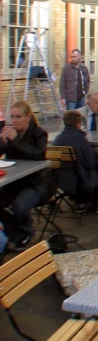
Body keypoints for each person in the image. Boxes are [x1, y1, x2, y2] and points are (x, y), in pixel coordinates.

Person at [0, 101, 51, 249]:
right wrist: (2, 141)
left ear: (28, 117)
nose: (14, 121)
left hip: (36, 182)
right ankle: (18, 234)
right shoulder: (10, 134)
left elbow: (38, 154)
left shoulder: (39, 133)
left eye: (18, 117)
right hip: (15, 181)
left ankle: (27, 230)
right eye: (12, 117)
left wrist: (16, 140)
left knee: (20, 206)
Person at [52, 110, 98, 214]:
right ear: (78, 124)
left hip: (62, 178)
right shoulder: (81, 140)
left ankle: (81, 202)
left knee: (77, 168)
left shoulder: (57, 139)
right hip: (79, 178)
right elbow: (90, 163)